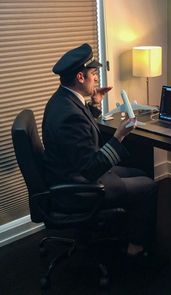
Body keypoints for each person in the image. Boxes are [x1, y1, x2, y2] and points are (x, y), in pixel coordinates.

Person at [42, 43, 159, 266]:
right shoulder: (69, 115)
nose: (97, 79)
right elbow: (92, 168)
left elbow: (79, 138)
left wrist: (94, 106)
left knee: (138, 171)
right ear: (80, 77)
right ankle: (136, 247)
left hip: (68, 174)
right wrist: (119, 136)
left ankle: (120, 228)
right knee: (148, 185)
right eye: (94, 74)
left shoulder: (62, 101)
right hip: (79, 186)